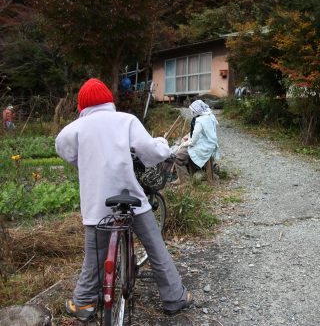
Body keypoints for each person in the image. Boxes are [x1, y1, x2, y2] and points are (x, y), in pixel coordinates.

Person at [55, 78, 192, 321]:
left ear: (82, 106)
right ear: (110, 101)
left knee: (94, 258)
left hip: (97, 206)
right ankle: (174, 298)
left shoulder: (76, 128)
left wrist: (83, 160)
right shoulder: (126, 120)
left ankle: (85, 303)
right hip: (131, 199)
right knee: (156, 248)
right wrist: (161, 142)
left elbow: (62, 147)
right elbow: (153, 152)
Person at [172, 100, 219, 185]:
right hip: (211, 144)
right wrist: (189, 136)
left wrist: (183, 144)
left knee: (177, 157)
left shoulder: (200, 121)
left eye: (192, 111)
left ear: (196, 110)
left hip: (203, 147)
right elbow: (205, 132)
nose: (192, 112)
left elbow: (193, 141)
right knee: (184, 153)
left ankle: (185, 182)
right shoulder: (210, 116)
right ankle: (184, 177)